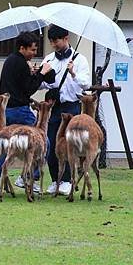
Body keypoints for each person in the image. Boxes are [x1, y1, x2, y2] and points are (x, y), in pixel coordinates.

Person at [0, 31, 55, 194]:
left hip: (6, 112)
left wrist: (32, 73)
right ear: (22, 48)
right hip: (20, 111)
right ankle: (29, 176)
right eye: (32, 50)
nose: (34, 54)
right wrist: (41, 73)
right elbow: (28, 90)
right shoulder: (20, 63)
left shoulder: (11, 61)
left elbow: (21, 84)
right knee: (44, 141)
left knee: (2, 146)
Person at [40, 25, 92, 195]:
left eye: (56, 41)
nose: (53, 44)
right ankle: (55, 179)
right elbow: (41, 84)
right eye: (51, 42)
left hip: (72, 106)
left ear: (66, 38)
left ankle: (68, 180)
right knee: (52, 144)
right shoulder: (49, 59)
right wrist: (39, 75)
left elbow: (86, 84)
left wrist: (73, 73)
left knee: (72, 144)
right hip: (54, 107)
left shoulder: (80, 60)